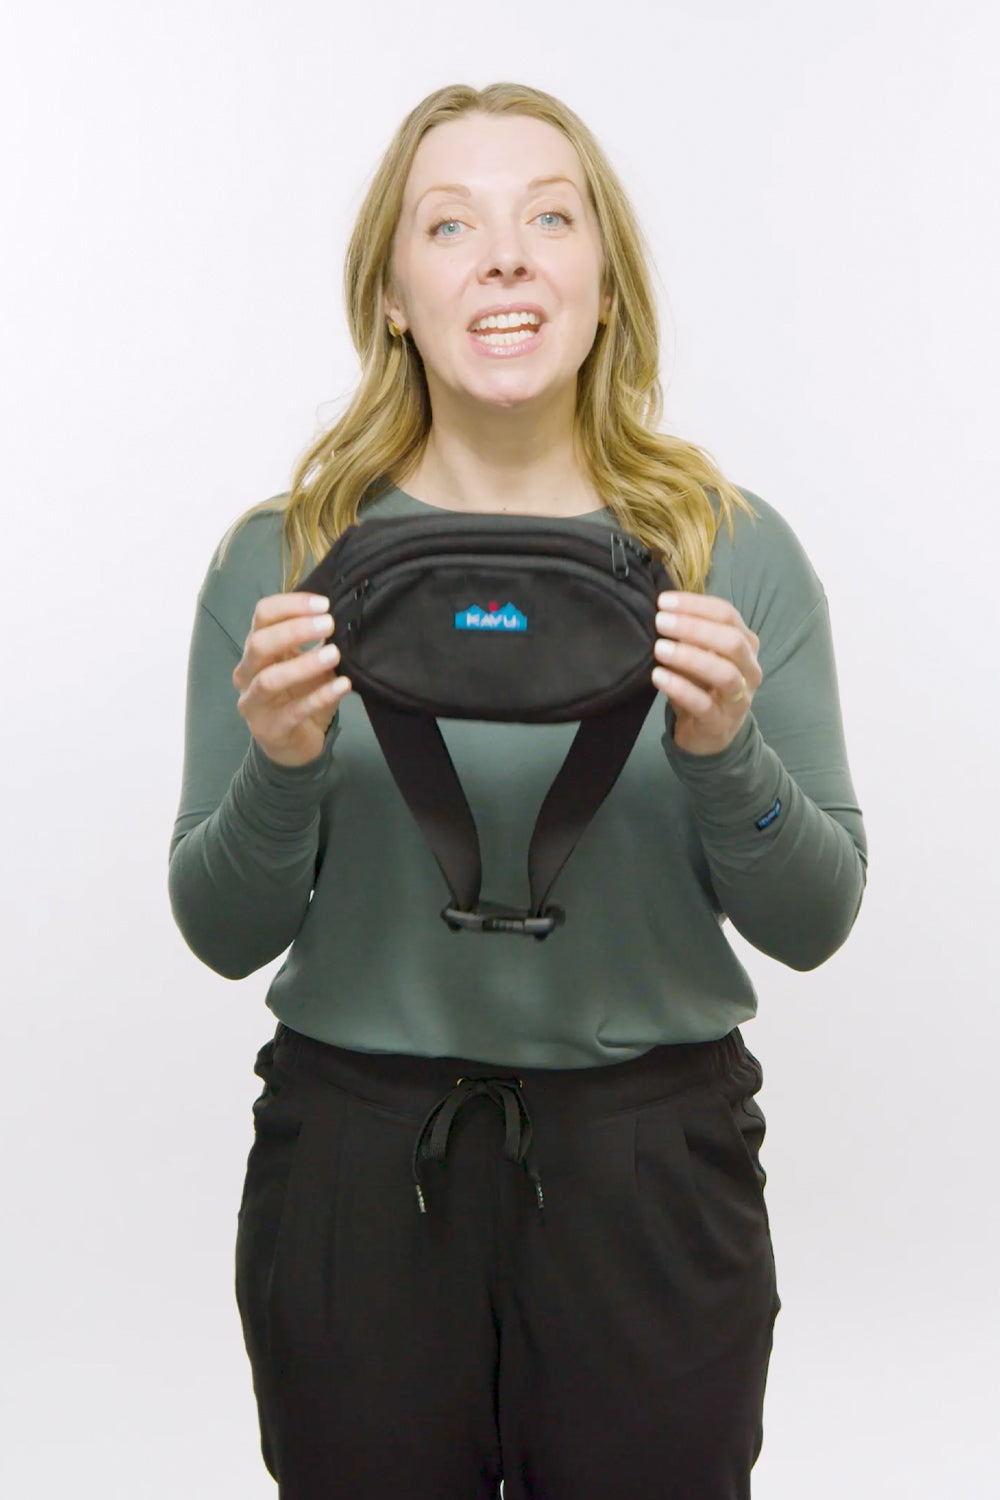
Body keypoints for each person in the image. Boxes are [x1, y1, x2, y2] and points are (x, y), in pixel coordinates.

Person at [168, 81, 868, 1500]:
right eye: (450, 225)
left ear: (605, 285)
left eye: (550, 218)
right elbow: (221, 931)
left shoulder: (731, 552)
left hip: (649, 1169)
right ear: (391, 296)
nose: (504, 257)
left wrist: (727, 753)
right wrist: (282, 768)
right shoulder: (282, 560)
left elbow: (816, 920)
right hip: (358, 1168)